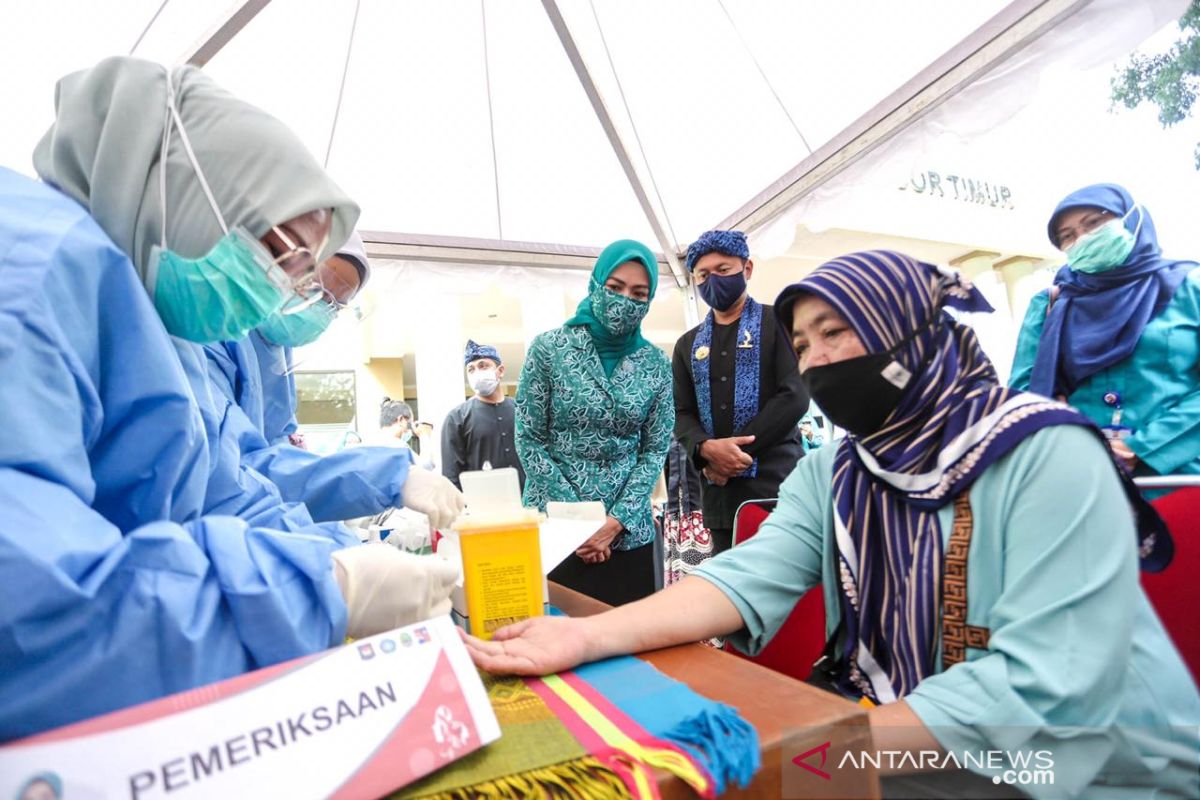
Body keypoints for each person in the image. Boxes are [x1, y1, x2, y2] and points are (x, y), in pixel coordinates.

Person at [466, 251, 1197, 798]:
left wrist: (829, 755)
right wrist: (586, 635)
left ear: (907, 335)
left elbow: (1043, 693)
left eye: (834, 334)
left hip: (1095, 764)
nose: (815, 362)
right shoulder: (840, 467)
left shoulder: (1048, 450)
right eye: (803, 344)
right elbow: (744, 579)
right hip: (908, 741)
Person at [0, 57, 457, 741]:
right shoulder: (31, 278)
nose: (289, 291)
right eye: (289, 258)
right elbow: (34, 613)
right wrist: (322, 588)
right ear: (181, 192)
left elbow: (223, 490)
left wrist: (338, 556)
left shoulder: (152, 317)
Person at [204, 234, 463, 529]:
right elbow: (232, 475)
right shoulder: (214, 331)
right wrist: (386, 476)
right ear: (281, 266)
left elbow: (278, 458)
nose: (320, 307)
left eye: (334, 304)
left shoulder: (276, 353)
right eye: (317, 289)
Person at [516, 239, 674, 605]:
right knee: (551, 648)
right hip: (555, 527)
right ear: (596, 284)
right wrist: (580, 523)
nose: (624, 301)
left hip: (627, 532)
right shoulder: (549, 349)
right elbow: (529, 440)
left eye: (638, 293)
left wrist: (614, 522)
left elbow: (654, 451)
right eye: (615, 287)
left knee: (629, 647)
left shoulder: (656, 364)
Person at [1010, 184, 1200, 481]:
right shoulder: (1051, 302)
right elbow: (1022, 392)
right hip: (1082, 479)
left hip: (1177, 477)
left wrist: (1141, 447)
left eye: (1095, 223)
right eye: (1067, 236)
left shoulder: (1190, 288)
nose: (1083, 238)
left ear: (1132, 218)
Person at [672, 230, 809, 553]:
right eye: (703, 274)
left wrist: (733, 455)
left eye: (723, 270)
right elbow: (680, 412)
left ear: (746, 269)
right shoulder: (688, 345)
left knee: (790, 590)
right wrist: (706, 450)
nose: (713, 280)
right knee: (731, 595)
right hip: (721, 497)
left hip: (778, 489)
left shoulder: (780, 322)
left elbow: (795, 394)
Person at [441, 340, 525, 489]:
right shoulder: (457, 418)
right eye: (471, 369)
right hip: (484, 506)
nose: (477, 372)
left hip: (529, 504)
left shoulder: (522, 410)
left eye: (483, 366)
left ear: (500, 371)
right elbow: (451, 476)